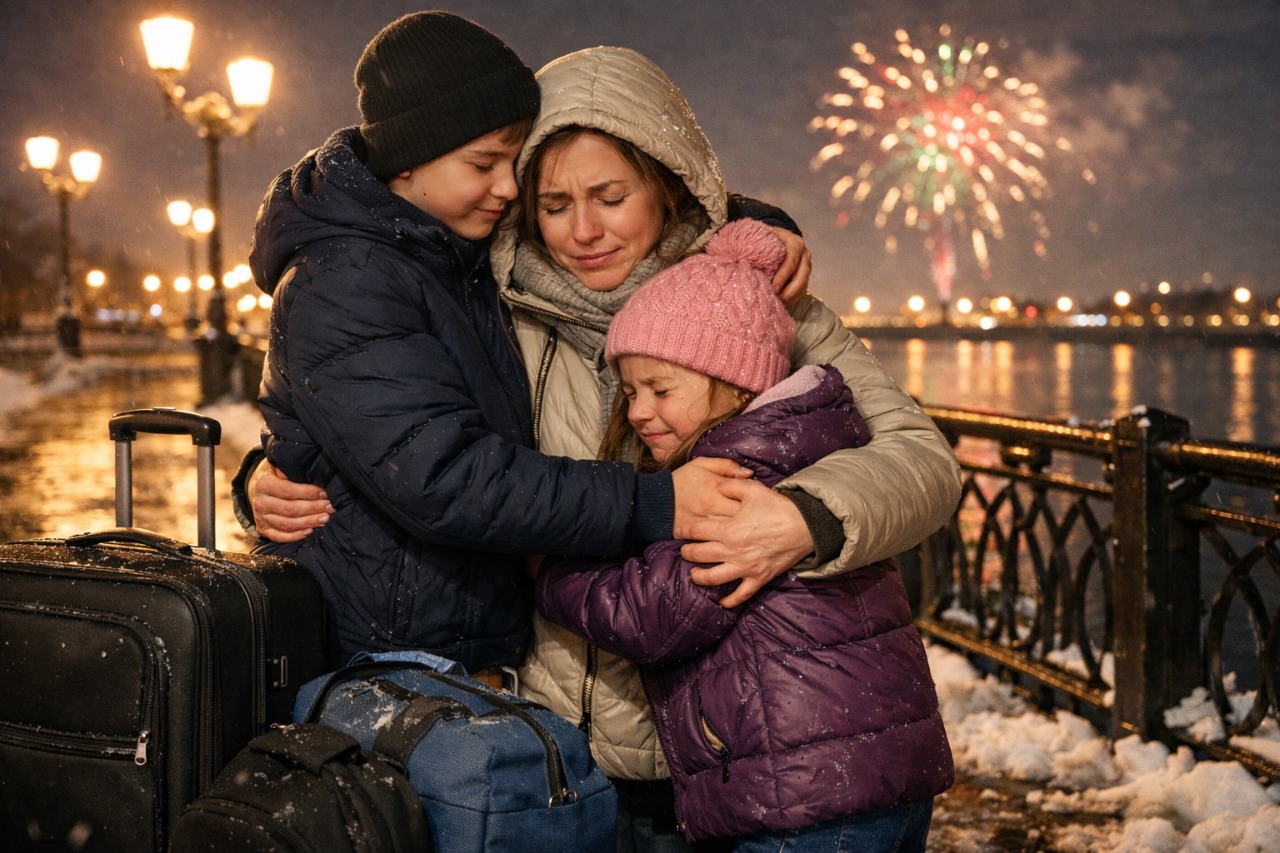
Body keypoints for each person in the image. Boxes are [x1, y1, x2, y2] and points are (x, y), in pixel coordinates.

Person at [244, 44, 963, 852]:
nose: (583, 230)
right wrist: (278, 474)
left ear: (663, 181)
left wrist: (806, 520)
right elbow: (403, 430)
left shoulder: (756, 303)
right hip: (557, 755)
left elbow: (924, 461)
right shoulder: (494, 307)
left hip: (737, 751)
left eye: (612, 196)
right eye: (553, 202)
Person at [246, 13, 776, 677]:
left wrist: (760, 225)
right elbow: (441, 475)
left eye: (514, 163)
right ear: (408, 159)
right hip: (385, 662)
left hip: (457, 654)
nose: (508, 188)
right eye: (483, 163)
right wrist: (656, 501)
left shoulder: (449, 250)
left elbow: (645, 184)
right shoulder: (349, 278)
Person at [536, 219, 953, 851]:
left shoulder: (738, 473)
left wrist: (545, 572)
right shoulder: (808, 440)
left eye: (660, 389)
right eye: (629, 392)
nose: (639, 410)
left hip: (803, 793)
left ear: (735, 381)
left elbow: (654, 614)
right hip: (862, 773)